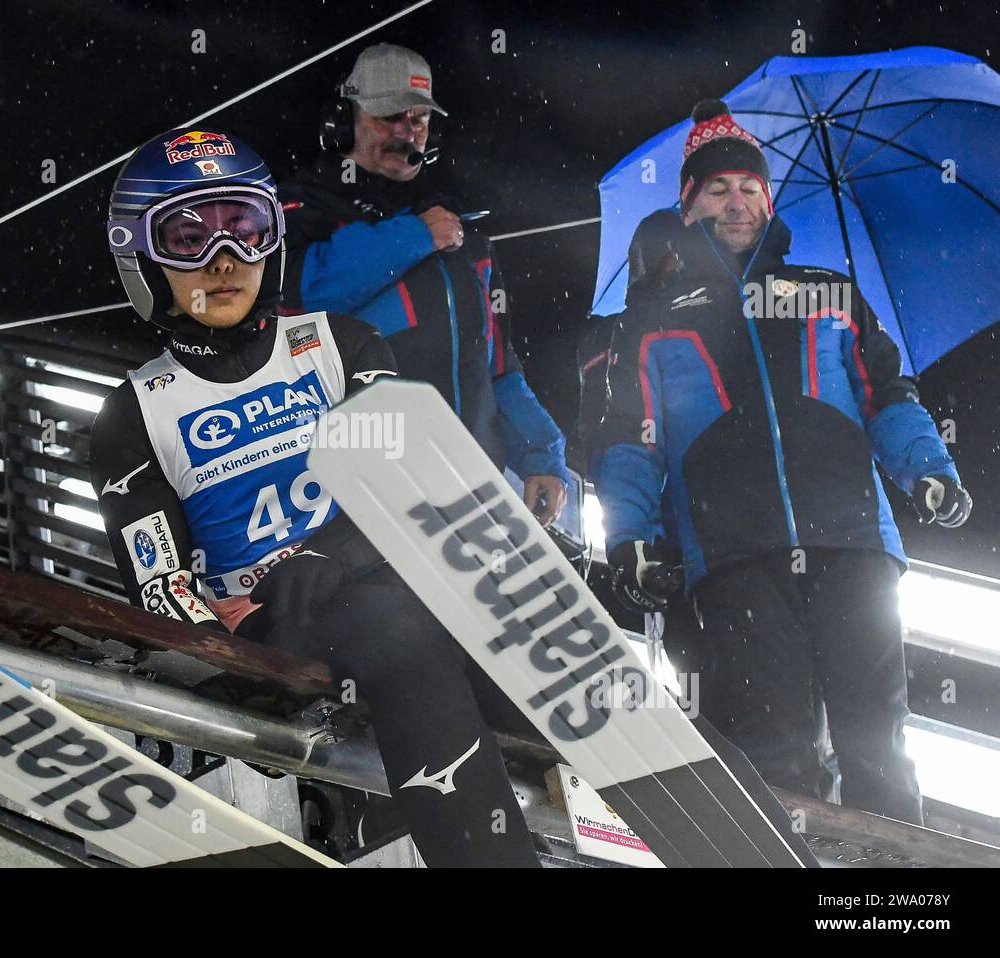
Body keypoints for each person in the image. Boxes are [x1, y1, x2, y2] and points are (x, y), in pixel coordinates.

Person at [90, 127, 540, 867]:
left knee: (472, 591)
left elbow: (395, 492)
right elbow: (163, 588)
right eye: (187, 237)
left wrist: (318, 556)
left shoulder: (343, 344)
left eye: (244, 228)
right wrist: (237, 652)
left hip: (387, 589)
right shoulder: (135, 413)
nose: (223, 258)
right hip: (279, 628)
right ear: (141, 255)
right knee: (393, 618)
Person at [593, 99, 972, 824]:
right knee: (775, 748)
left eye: (749, 188)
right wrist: (628, 537)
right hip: (734, 554)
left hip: (854, 542)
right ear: (689, 202)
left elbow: (887, 396)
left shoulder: (828, 289)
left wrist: (929, 470)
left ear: (769, 198)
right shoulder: (652, 313)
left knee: (878, 745)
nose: (736, 202)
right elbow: (628, 437)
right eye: (717, 189)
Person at [280, 43, 571, 527]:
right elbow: (299, 297)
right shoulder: (299, 205)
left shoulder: (464, 229)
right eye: (389, 116)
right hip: (355, 497)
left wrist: (542, 453)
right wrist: (413, 236)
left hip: (470, 493)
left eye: (418, 119)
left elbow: (499, 365)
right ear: (344, 118)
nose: (405, 132)